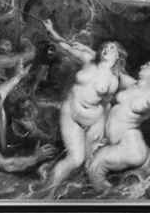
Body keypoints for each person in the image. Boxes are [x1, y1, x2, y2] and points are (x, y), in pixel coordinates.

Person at [41, 22, 128, 189]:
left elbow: (105, 104)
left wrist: (100, 125)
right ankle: (46, 193)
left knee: (90, 161)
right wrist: (51, 30)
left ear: (118, 56)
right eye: (105, 47)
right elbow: (64, 48)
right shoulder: (88, 60)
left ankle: (87, 191)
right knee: (75, 160)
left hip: (93, 120)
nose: (107, 49)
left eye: (112, 48)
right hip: (70, 115)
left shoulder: (113, 81)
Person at [85, 59, 150, 191]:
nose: (142, 65)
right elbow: (120, 75)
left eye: (147, 65)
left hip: (130, 148)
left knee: (95, 167)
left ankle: (109, 206)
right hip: (134, 148)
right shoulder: (134, 85)